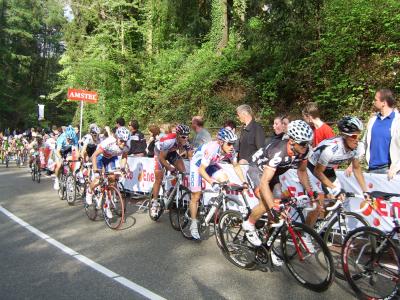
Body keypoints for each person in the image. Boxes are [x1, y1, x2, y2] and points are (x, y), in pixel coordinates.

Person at [243, 120, 315, 248]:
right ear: (292, 141)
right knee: (267, 204)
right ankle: (249, 223)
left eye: (308, 143)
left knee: (277, 210)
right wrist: (272, 206)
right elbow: (264, 182)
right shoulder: (279, 151)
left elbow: (302, 172)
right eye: (303, 143)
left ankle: (268, 247)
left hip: (273, 174)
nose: (306, 147)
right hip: (257, 170)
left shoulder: (305, 150)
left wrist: (310, 192)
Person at [307, 116, 371, 227]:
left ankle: (320, 225)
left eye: (359, 135)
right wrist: (333, 188)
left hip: (328, 169)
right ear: (345, 136)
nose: (357, 139)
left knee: (336, 199)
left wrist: (365, 191)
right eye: (354, 136)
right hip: (313, 169)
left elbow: (356, 168)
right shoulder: (331, 149)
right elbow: (318, 172)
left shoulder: (357, 147)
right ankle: (305, 234)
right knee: (318, 205)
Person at [189, 128, 248, 240]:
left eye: (233, 144)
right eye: (229, 144)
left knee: (225, 179)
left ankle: (215, 207)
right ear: (221, 142)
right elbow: (201, 170)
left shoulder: (231, 150)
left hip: (211, 164)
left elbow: (236, 166)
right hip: (198, 165)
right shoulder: (211, 148)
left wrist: (244, 181)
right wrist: (212, 182)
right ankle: (193, 224)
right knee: (196, 195)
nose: (232, 147)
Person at [150, 124, 193, 218]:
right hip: (159, 153)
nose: (186, 138)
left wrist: (195, 169)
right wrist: (169, 167)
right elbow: (161, 158)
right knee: (159, 178)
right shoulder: (169, 141)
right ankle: (154, 203)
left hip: (171, 152)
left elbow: (190, 156)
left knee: (183, 171)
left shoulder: (185, 142)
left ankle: (170, 191)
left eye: (187, 136)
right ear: (177, 135)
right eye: (183, 137)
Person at [86, 127, 131, 213]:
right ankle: (89, 190)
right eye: (121, 141)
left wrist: (122, 167)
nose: (123, 143)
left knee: (112, 179)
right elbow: (94, 156)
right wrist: (95, 169)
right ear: (117, 138)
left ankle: (107, 204)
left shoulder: (127, 145)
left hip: (111, 157)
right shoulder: (109, 142)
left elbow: (124, 156)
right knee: (98, 179)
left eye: (125, 141)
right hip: (100, 156)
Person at [363, 89, 400, 179]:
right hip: (371, 170)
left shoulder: (397, 121)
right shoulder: (373, 120)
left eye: (376, 100)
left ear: (384, 102)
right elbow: (364, 143)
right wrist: (353, 163)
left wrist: (396, 167)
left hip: (389, 171)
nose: (373, 102)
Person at [53, 126, 79, 190]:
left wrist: (78, 158)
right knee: (59, 165)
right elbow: (57, 151)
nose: (70, 140)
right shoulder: (62, 138)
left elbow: (77, 150)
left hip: (68, 150)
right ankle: (56, 179)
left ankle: (70, 179)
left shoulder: (75, 137)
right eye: (68, 139)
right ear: (66, 136)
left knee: (71, 163)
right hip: (59, 150)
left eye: (71, 139)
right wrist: (61, 158)